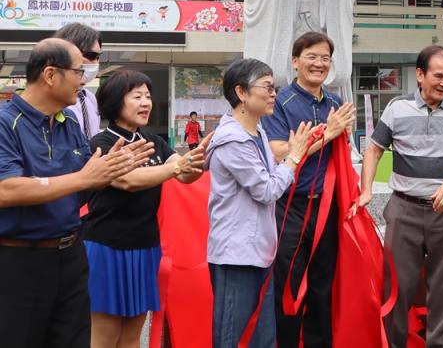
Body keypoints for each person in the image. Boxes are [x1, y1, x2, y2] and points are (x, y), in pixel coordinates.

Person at [0, 38, 153, 348]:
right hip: (20, 259)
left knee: (74, 339)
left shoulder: (69, 121)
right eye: (78, 71)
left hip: (71, 254)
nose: (84, 80)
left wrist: (113, 169)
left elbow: (85, 182)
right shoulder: (6, 123)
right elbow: (6, 189)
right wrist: (84, 178)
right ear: (50, 75)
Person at [355, 45, 443, 347]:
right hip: (404, 210)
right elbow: (373, 150)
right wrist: (366, 190)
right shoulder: (397, 108)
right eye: (438, 76)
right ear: (420, 75)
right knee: (397, 288)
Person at [84, 70, 207, 348]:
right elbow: (128, 181)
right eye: (137, 96)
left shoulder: (154, 142)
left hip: (144, 247)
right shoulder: (101, 144)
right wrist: (176, 167)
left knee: (131, 337)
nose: (146, 103)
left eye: (148, 96)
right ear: (116, 101)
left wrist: (197, 160)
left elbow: (186, 174)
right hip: (106, 248)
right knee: (104, 337)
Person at [206, 58, 321, 348]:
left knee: (263, 338)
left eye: (274, 87)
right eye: (267, 87)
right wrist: (294, 157)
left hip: (259, 251)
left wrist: (294, 156)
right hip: (237, 254)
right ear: (241, 93)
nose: (273, 94)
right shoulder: (233, 140)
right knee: (235, 336)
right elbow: (268, 190)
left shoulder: (258, 132)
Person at [262, 31, 356, 348]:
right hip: (289, 207)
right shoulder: (280, 102)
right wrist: (328, 133)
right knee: (287, 284)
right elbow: (279, 151)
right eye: (311, 57)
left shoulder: (335, 102)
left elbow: (343, 154)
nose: (319, 64)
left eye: (325, 58)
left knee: (322, 285)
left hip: (326, 208)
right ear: (295, 61)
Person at [55, 22, 104, 138]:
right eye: (91, 56)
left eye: (98, 57)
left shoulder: (90, 98)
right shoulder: (52, 99)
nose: (96, 63)